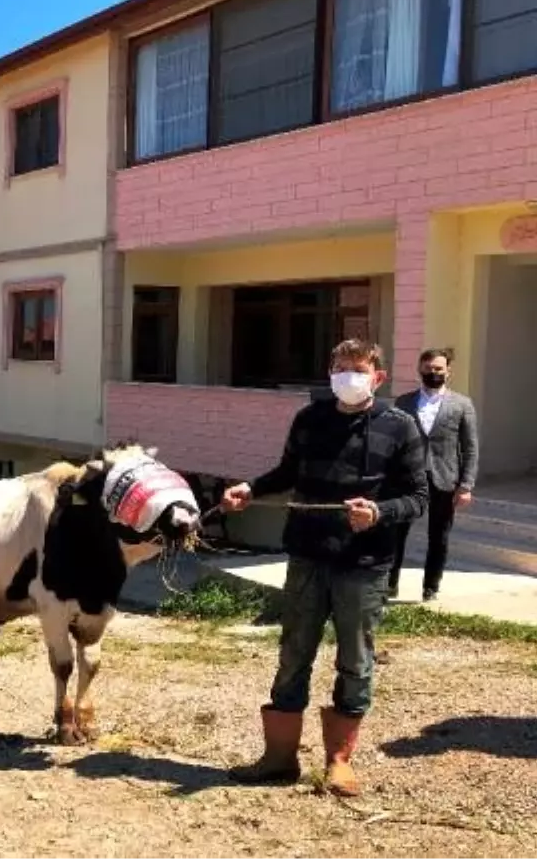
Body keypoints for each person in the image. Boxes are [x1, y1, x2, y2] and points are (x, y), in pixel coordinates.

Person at [223, 340, 427, 797]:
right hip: (307, 555)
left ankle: (339, 762)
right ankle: (278, 759)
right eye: (339, 367)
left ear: (379, 376)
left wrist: (379, 512)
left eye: (357, 368)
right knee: (294, 652)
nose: (347, 376)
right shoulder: (309, 420)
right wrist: (249, 489)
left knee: (355, 660)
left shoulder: (401, 427)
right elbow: (286, 473)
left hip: (364, 563)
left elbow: (417, 497)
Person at [389, 348, 479, 602]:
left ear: (448, 371)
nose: (433, 373)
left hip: (444, 477)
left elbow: (470, 448)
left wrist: (466, 485)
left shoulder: (462, 404)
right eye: (428, 368)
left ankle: (431, 587)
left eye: (438, 368)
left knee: (438, 536)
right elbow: (393, 443)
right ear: (420, 370)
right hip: (407, 478)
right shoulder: (404, 402)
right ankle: (389, 584)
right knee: (397, 532)